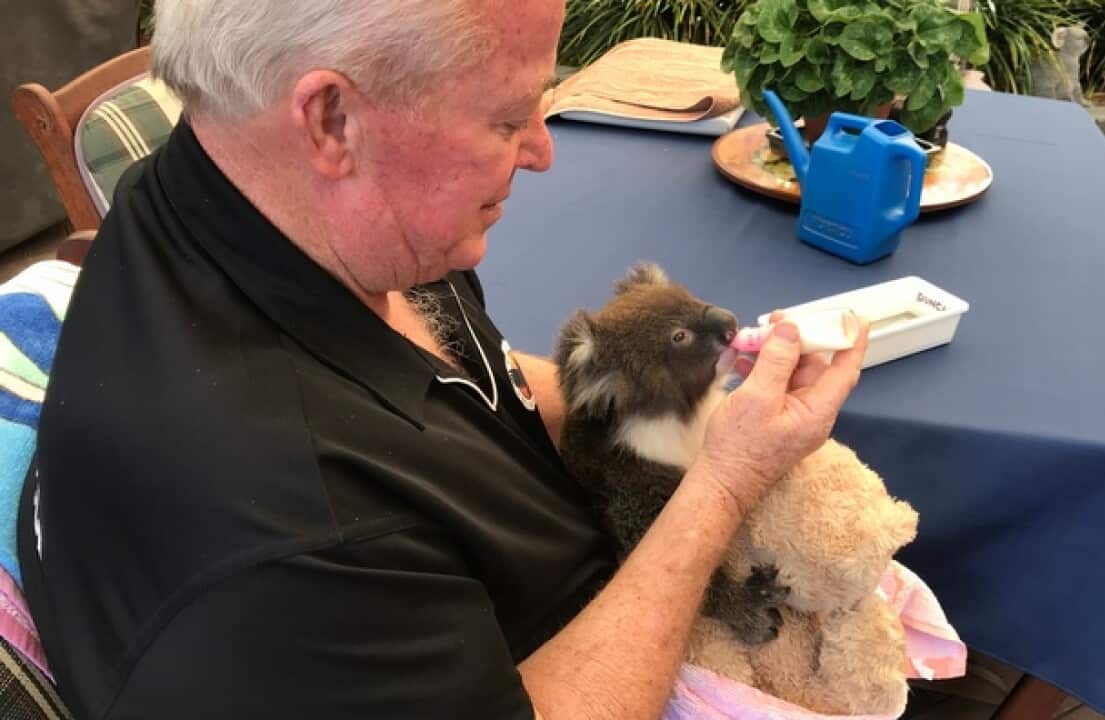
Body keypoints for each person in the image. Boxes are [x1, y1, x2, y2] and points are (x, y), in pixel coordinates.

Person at [17, 1, 868, 718]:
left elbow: (470, 374)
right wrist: (724, 483)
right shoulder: (294, 536)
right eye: (505, 117)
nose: (541, 149)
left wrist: (646, 397)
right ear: (331, 119)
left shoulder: (246, 196)